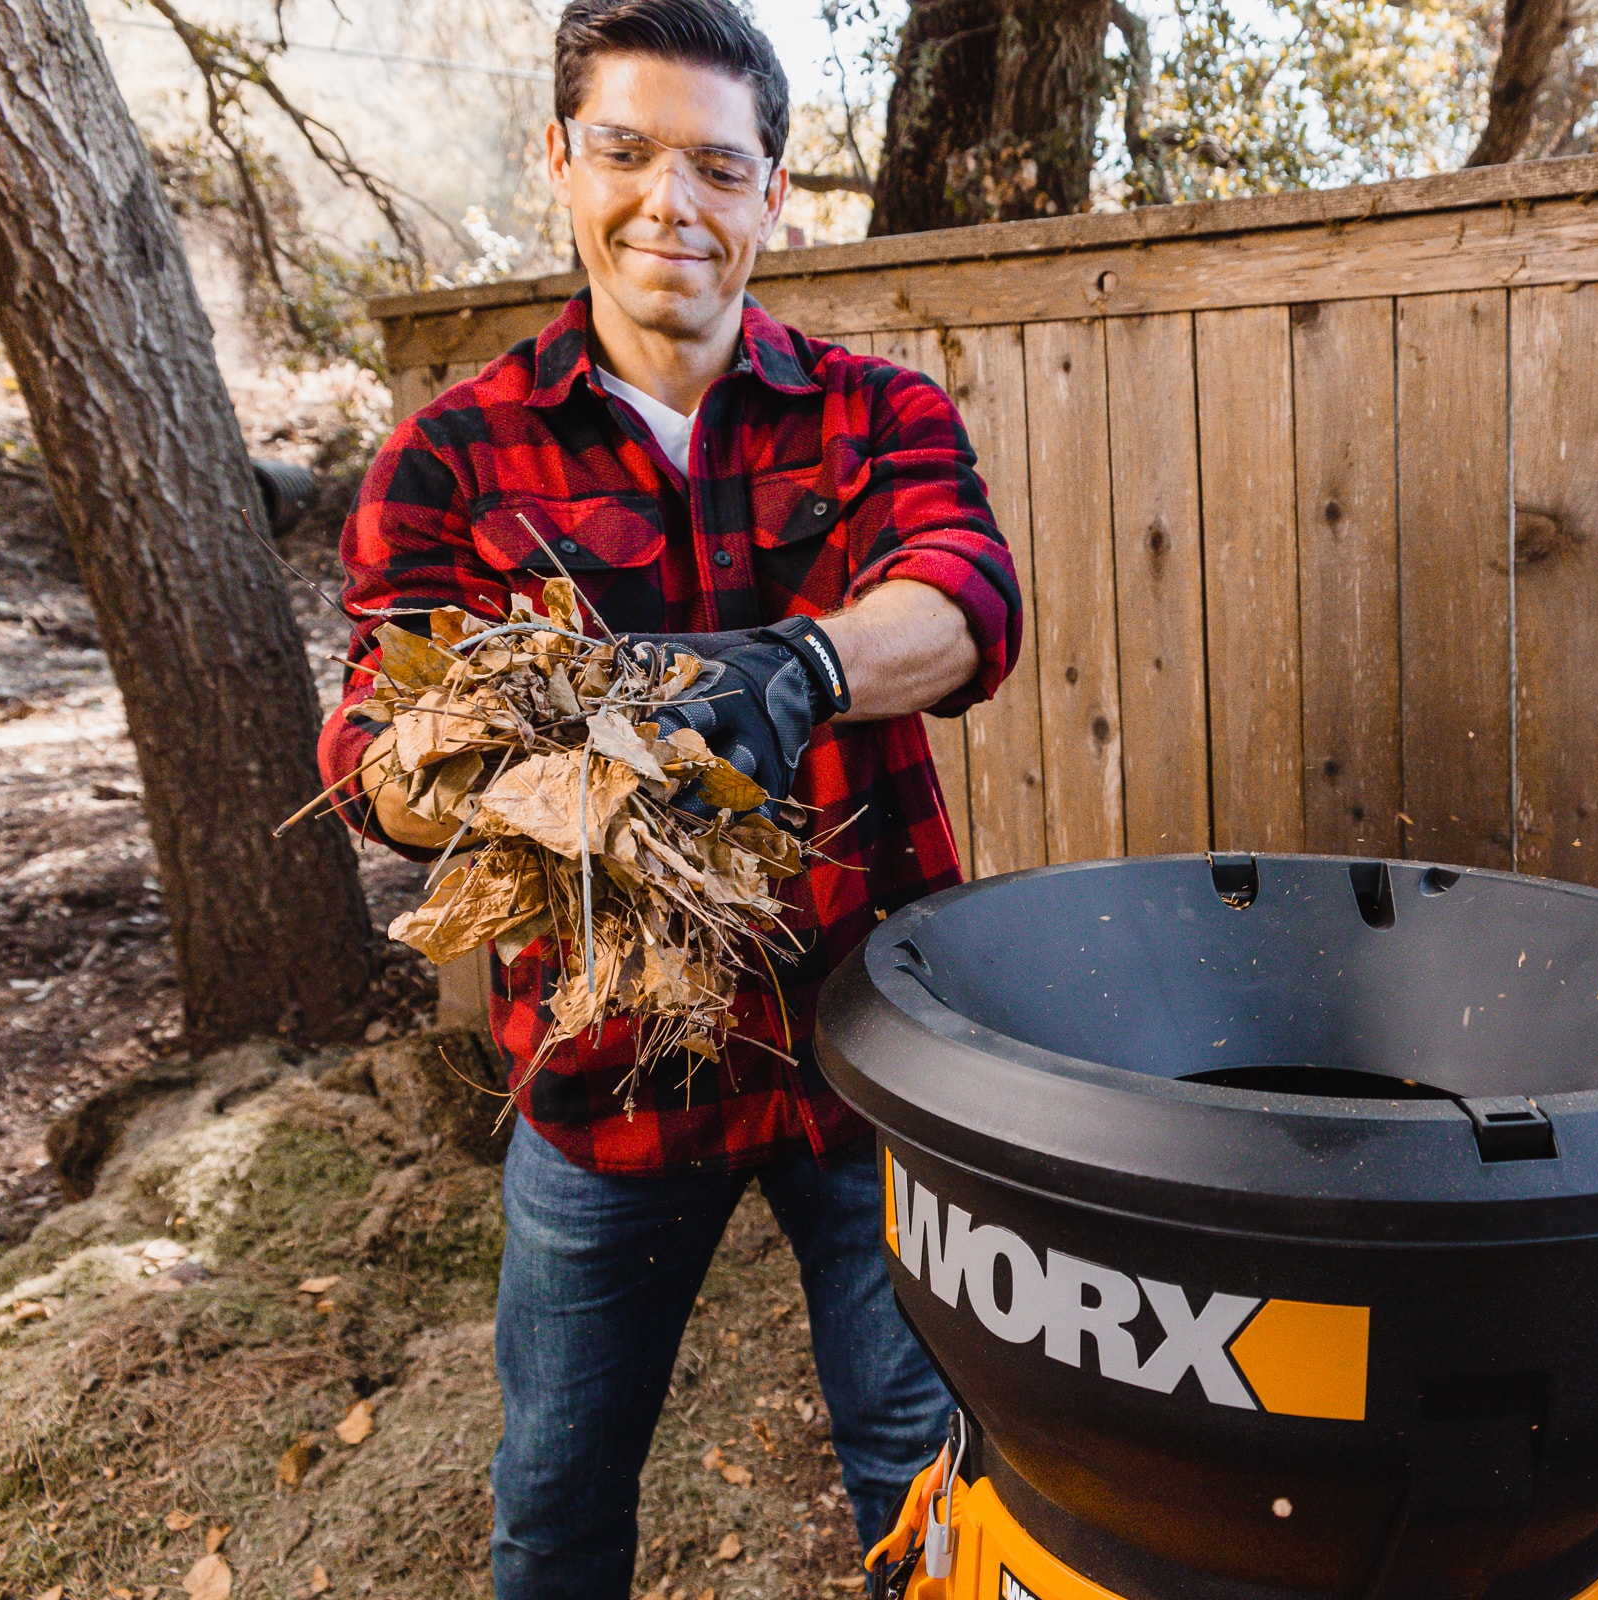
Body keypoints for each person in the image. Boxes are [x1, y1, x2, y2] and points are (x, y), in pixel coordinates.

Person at [314, 2, 1019, 1593]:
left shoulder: (873, 413)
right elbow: (367, 753)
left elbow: (970, 605)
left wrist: (801, 670)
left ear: (775, 192)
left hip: (872, 1053)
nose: (669, 203)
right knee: (557, 1496)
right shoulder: (451, 461)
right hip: (608, 1074)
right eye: (627, 152)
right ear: (560, 161)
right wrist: (493, 754)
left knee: (928, 1479)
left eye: (717, 164)